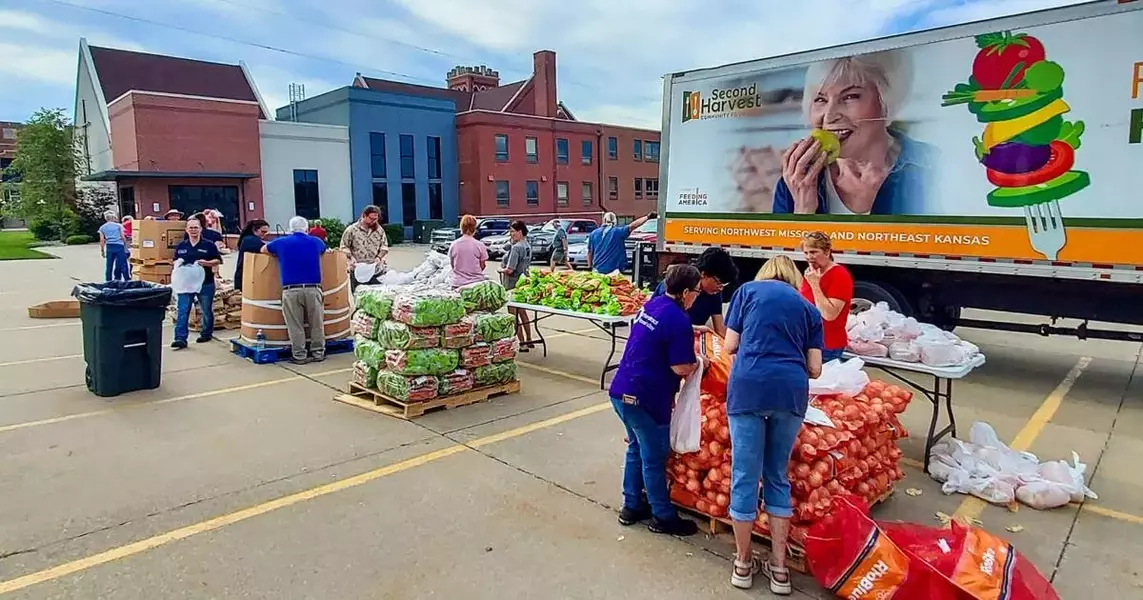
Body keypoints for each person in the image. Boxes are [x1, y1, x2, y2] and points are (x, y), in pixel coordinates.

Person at [723, 254, 823, 593]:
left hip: (749, 390)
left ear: (766, 274)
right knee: (777, 475)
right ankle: (780, 569)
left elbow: (730, 344)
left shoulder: (747, 292)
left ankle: (742, 563)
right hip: (789, 394)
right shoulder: (808, 308)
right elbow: (816, 368)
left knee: (744, 475)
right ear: (793, 278)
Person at [773, 51, 933, 215]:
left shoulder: (935, 167)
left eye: (850, 96)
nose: (829, 116)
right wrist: (804, 210)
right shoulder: (794, 183)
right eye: (821, 99)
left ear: (886, 100)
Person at [609, 264, 703, 537]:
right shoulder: (678, 319)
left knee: (636, 448)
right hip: (647, 398)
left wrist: (693, 330)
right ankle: (662, 516)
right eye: (696, 292)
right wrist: (701, 364)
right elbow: (681, 368)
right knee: (653, 457)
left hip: (621, 391)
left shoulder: (654, 304)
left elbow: (661, 331)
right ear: (685, 292)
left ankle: (632, 505)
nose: (696, 296)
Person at [262, 216, 327, 364]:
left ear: (290, 228)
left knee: (295, 324)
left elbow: (263, 249)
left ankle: (299, 355)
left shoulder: (281, 243)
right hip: (313, 288)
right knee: (316, 323)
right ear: (307, 228)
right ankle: (318, 353)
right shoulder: (316, 242)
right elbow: (323, 251)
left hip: (291, 290)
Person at [652, 247, 738, 337]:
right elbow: (661, 323)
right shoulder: (675, 283)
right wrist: (694, 328)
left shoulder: (714, 294)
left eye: (723, 285)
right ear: (703, 274)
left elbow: (720, 329)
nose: (720, 289)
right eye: (718, 283)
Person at [799, 232, 853, 362]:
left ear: (827, 252)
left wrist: (815, 285)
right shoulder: (811, 272)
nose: (809, 257)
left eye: (813, 252)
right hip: (807, 342)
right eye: (806, 253)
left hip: (827, 345)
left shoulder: (839, 275)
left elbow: (829, 315)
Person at [172, 219, 223, 349]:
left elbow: (218, 260)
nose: (193, 230)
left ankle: (206, 333)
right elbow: (174, 261)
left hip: (205, 282)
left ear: (201, 229)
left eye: (196, 227)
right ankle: (180, 338)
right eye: (191, 228)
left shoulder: (209, 245)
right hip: (186, 285)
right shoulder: (182, 246)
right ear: (186, 230)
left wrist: (207, 263)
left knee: (206, 309)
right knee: (183, 310)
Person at [499, 220, 534, 349]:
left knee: (513, 315)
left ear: (520, 232)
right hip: (523, 283)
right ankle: (529, 339)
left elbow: (510, 269)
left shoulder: (516, 248)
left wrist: (501, 270)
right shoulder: (527, 245)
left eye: (513, 232)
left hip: (512, 284)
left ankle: (522, 343)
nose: (511, 234)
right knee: (523, 313)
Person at [587, 211, 655, 274]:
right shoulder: (618, 232)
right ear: (615, 221)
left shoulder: (593, 233)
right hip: (614, 270)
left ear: (603, 220)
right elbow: (633, 225)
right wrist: (647, 217)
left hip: (597, 269)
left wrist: (590, 266)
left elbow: (590, 252)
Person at [340, 205, 389, 291]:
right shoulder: (351, 230)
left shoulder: (379, 230)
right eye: (371, 218)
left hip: (376, 270)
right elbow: (343, 246)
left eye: (376, 219)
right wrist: (351, 257)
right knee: (360, 296)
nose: (374, 221)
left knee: (378, 297)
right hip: (358, 269)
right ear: (364, 216)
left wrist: (379, 257)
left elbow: (384, 246)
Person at [449, 214, 488, 287]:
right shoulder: (479, 245)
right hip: (476, 284)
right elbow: (483, 265)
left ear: (461, 227)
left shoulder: (454, 245)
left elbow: (453, 265)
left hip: (458, 283)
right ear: (474, 228)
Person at [233, 219, 269, 292]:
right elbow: (265, 249)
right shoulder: (250, 240)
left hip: (245, 277)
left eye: (266, 232)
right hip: (245, 278)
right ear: (255, 230)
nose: (264, 234)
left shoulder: (247, 239)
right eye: (263, 232)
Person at [98, 212, 129, 282]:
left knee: (109, 265)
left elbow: (102, 240)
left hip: (109, 246)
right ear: (113, 217)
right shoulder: (118, 226)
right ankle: (119, 279)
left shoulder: (102, 227)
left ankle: (108, 280)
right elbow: (123, 237)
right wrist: (125, 246)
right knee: (121, 263)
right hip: (119, 246)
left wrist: (102, 250)